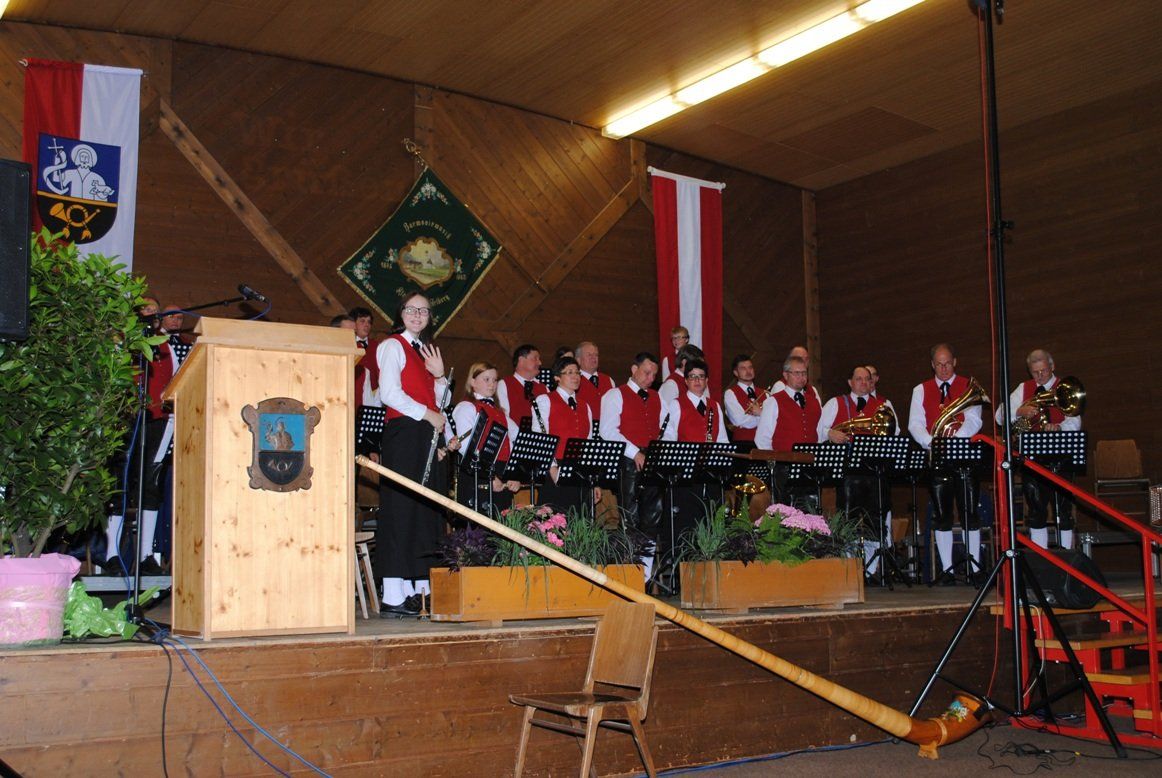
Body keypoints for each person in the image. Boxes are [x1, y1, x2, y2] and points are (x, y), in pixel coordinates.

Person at [374, 290, 449, 616]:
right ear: (400, 313)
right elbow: (389, 394)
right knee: (402, 510)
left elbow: (442, 401)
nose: (418, 315)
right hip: (405, 433)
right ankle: (393, 595)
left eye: (424, 310)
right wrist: (427, 414)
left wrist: (440, 375)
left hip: (426, 433)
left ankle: (419, 591)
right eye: (411, 309)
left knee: (425, 511)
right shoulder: (392, 346)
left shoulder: (426, 352)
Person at [104, 297, 174, 577]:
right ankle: (112, 554)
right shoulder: (121, 341)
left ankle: (146, 556)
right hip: (125, 420)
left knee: (150, 485)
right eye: (146, 309)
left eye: (156, 310)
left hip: (158, 421)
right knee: (119, 481)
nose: (152, 314)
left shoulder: (167, 345)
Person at [908, 343, 984, 584]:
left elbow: (974, 420)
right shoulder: (920, 389)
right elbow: (915, 423)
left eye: (948, 363)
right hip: (937, 457)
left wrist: (954, 440)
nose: (944, 368)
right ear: (932, 364)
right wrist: (932, 442)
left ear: (955, 362)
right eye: (939, 364)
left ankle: (974, 568)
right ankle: (947, 571)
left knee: (970, 513)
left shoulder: (967, 385)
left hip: (964, 457)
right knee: (942, 516)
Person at [997, 349, 1082, 550]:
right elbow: (999, 416)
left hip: (1062, 456)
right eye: (1035, 372)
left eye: (1043, 371)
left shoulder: (1064, 387)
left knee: (1063, 509)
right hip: (1033, 458)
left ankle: (1065, 558)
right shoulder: (1024, 388)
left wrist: (1059, 428)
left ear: (1052, 367)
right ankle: (1040, 556)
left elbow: (1075, 421)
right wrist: (1019, 411)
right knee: (1036, 509)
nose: (1040, 376)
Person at [818, 365, 900, 573]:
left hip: (875, 472)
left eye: (867, 379)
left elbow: (895, 432)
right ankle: (851, 569)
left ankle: (870, 570)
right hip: (848, 474)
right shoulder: (835, 403)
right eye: (859, 379)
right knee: (849, 519)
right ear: (850, 382)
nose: (863, 383)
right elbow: (818, 429)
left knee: (874, 522)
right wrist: (830, 434)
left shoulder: (884, 405)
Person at [659, 359, 726, 587]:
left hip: (709, 475)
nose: (697, 381)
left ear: (707, 381)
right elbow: (669, 438)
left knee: (710, 520)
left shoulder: (714, 406)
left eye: (701, 376)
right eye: (692, 377)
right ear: (686, 381)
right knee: (686, 523)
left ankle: (710, 573)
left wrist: (718, 461)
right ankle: (684, 576)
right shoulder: (676, 405)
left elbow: (722, 440)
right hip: (685, 477)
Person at [600, 352, 667, 578]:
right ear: (633, 369)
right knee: (630, 516)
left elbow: (667, 428)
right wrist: (634, 452)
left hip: (653, 459)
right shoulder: (615, 395)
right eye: (647, 373)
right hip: (628, 461)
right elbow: (608, 431)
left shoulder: (657, 397)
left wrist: (660, 451)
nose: (651, 378)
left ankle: (644, 576)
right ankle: (629, 572)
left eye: (654, 375)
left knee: (653, 516)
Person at [448, 362, 521, 516]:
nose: (492, 384)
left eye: (495, 380)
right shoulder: (466, 407)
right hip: (478, 472)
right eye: (486, 379)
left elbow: (518, 439)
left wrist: (514, 475)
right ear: (473, 382)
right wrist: (489, 477)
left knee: (502, 523)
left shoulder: (500, 412)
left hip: (500, 471)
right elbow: (467, 447)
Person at [533, 356, 600, 515]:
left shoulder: (585, 406)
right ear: (557, 377)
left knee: (580, 519)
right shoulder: (544, 400)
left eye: (577, 372)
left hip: (580, 470)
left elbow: (589, 442)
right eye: (569, 372)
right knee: (554, 520)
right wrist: (553, 468)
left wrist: (593, 481)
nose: (575, 376)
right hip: (555, 466)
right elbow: (540, 438)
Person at [497, 344, 547, 431]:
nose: (540, 363)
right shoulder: (504, 384)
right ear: (521, 360)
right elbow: (504, 418)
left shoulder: (544, 388)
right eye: (535, 358)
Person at [723, 354, 766, 450]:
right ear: (736, 373)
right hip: (743, 445)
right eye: (743, 368)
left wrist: (760, 413)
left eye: (750, 367)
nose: (748, 371)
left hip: (764, 444)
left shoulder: (765, 393)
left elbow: (774, 420)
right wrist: (763, 415)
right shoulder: (730, 393)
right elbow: (739, 420)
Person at [574, 341, 615, 432]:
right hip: (583, 431)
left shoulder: (609, 380)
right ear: (578, 360)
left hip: (607, 432)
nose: (594, 358)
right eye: (589, 355)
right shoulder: (573, 380)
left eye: (596, 355)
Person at [351, 307, 382, 410]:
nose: (367, 325)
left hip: (373, 397)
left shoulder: (377, 346)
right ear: (353, 324)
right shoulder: (348, 344)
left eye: (369, 322)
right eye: (362, 321)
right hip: (352, 394)